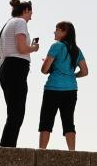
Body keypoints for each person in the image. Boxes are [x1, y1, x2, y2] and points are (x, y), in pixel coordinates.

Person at [38, 21, 88, 150]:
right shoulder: (77, 50)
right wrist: (73, 75)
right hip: (71, 90)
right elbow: (85, 71)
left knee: (46, 121)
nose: (54, 32)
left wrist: (49, 65)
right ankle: (72, 153)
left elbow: (44, 70)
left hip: (53, 89)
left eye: (57, 29)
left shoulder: (56, 46)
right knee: (68, 121)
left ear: (64, 32)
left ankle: (42, 152)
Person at [0, 0, 40, 147]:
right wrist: (34, 48)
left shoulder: (7, 24)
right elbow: (22, 48)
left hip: (6, 68)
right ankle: (7, 148)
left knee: (13, 112)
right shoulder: (20, 22)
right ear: (26, 10)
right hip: (16, 68)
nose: (31, 16)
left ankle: (6, 146)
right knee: (17, 113)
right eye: (31, 13)